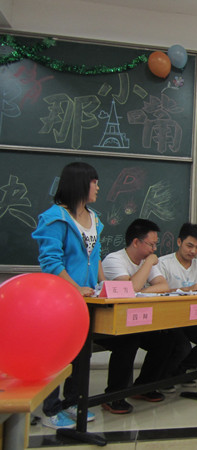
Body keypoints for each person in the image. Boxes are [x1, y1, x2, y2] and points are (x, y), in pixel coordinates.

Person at [32, 162, 103, 429]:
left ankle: (73, 402)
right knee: (56, 356)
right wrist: (75, 287)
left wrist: (103, 284)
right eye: (94, 182)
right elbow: (51, 262)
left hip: (87, 300)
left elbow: (95, 257)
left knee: (81, 355)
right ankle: (50, 410)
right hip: (59, 300)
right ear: (81, 183)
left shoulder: (95, 218)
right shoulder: (55, 217)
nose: (98, 187)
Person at [98, 218, 173, 414]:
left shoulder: (145, 261)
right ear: (136, 242)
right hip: (108, 323)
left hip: (134, 321)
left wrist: (140, 291)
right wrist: (147, 265)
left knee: (166, 340)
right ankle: (113, 396)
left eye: (155, 245)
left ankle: (144, 387)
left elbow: (163, 286)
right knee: (128, 341)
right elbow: (130, 288)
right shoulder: (114, 260)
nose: (154, 249)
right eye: (151, 244)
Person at [158, 223, 197, 389]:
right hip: (168, 318)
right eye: (189, 246)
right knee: (183, 346)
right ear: (179, 242)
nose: (193, 251)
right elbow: (157, 292)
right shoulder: (164, 263)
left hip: (192, 317)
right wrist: (185, 289)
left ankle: (178, 371)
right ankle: (164, 377)